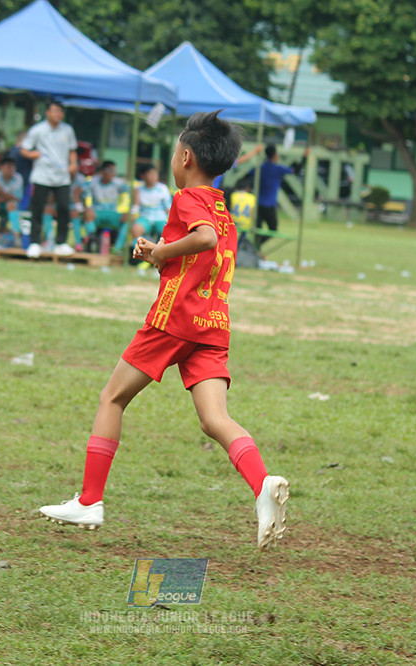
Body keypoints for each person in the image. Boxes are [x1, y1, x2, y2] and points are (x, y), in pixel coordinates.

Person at [39, 111, 290, 551]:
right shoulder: (222, 208)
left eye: (175, 152)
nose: (174, 159)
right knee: (216, 420)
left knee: (112, 397)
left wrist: (161, 251)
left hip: (175, 320)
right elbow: (206, 250)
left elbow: (204, 240)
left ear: (186, 156)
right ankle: (263, 485)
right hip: (212, 324)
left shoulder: (189, 198)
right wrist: (159, 253)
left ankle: (90, 500)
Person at [21, 101, 78, 258]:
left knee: (64, 208)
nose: (57, 114)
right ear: (47, 112)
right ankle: (35, 243)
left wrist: (73, 164)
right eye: (54, 111)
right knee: (37, 208)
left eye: (60, 112)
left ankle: (61, 242)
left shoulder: (67, 130)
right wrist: (33, 154)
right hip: (42, 174)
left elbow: (73, 150)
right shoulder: (38, 130)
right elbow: (24, 149)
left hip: (62, 175)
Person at [83, 160, 131, 253]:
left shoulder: (117, 182)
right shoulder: (93, 181)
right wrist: (83, 206)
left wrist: (134, 207)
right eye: (110, 170)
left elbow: (134, 191)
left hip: (112, 214)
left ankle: (117, 248)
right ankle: (92, 239)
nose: (112, 174)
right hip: (98, 213)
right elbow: (79, 191)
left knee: (129, 217)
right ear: (103, 171)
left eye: (114, 171)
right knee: (88, 212)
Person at [252, 144, 293, 249]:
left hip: (258, 203)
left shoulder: (260, 168)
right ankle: (255, 247)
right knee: (273, 229)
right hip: (269, 204)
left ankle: (254, 248)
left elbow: (249, 174)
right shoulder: (278, 169)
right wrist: (305, 158)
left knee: (257, 230)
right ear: (275, 155)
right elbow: (293, 170)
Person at [129, 165, 173, 244]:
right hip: (145, 218)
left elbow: (168, 207)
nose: (153, 177)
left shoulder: (163, 188)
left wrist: (171, 218)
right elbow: (136, 206)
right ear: (143, 176)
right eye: (150, 174)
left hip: (160, 218)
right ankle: (143, 249)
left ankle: (160, 251)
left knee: (168, 233)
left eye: (155, 174)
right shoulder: (138, 189)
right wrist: (132, 214)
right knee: (135, 230)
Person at [0, 157, 24, 234]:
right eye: (9, 167)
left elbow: (18, 198)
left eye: (13, 167)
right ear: (1, 167)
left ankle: (16, 233)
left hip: (12, 205)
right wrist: (8, 197)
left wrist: (1, 192)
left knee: (11, 205)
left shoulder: (18, 178)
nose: (11, 169)